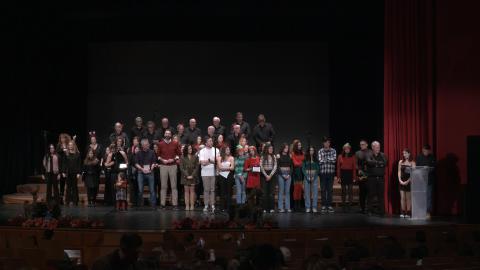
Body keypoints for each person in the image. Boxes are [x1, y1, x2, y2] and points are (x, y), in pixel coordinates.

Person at [157, 129, 181, 210]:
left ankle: (175, 205)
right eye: (166, 133)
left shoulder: (175, 143)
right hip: (163, 166)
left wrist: (173, 159)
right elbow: (158, 155)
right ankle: (162, 204)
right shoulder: (160, 144)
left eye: (169, 133)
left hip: (173, 165)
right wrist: (162, 160)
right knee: (163, 186)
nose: (167, 134)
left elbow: (179, 154)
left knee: (174, 186)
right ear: (164, 134)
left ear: (171, 135)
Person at [366, 141, 388, 216]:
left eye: (379, 146)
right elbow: (369, 162)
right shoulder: (369, 155)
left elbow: (385, 163)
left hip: (381, 178)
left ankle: (381, 211)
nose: (378, 148)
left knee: (381, 195)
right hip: (372, 178)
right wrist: (379, 163)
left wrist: (375, 163)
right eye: (376, 147)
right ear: (372, 147)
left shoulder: (383, 155)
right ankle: (369, 210)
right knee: (371, 195)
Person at [199, 137, 219, 212]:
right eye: (210, 141)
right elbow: (202, 163)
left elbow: (217, 161)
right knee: (206, 190)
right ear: (206, 143)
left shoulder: (216, 150)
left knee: (212, 190)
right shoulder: (202, 151)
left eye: (212, 141)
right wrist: (210, 160)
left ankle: (212, 205)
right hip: (205, 173)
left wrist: (208, 161)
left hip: (213, 172)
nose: (211, 142)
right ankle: (206, 205)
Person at [135, 139, 157, 208]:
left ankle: (153, 205)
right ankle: (140, 205)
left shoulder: (152, 152)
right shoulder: (138, 153)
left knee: (152, 190)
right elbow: (136, 164)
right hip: (141, 172)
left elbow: (154, 162)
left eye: (148, 144)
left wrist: (151, 169)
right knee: (140, 190)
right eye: (146, 145)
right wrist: (142, 169)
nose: (147, 145)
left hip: (150, 172)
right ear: (142, 145)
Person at [416, 144, 436, 219]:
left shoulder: (432, 157)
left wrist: (428, 168)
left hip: (429, 180)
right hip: (420, 180)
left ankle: (428, 212)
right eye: (424, 150)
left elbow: (434, 167)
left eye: (427, 151)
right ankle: (420, 211)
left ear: (429, 150)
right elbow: (416, 168)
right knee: (421, 196)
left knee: (429, 197)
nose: (426, 152)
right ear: (422, 150)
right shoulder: (419, 157)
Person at [318, 137, 337, 214]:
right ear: (323, 143)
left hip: (330, 173)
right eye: (325, 142)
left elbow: (334, 160)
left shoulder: (333, 150)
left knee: (330, 190)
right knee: (323, 190)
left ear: (329, 143)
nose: (327, 144)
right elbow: (320, 161)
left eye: (328, 142)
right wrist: (329, 159)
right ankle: (323, 206)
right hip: (322, 173)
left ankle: (329, 205)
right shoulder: (320, 151)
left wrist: (325, 159)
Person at [336, 143, 357, 212]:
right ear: (343, 149)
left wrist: (354, 177)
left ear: (350, 149)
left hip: (350, 174)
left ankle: (350, 205)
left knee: (350, 190)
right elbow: (338, 168)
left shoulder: (353, 156)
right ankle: (344, 205)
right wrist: (338, 177)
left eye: (348, 148)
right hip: (343, 174)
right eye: (345, 148)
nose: (346, 150)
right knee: (344, 191)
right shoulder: (340, 156)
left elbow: (354, 168)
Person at [180, 144, 199, 211]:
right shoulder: (182, 157)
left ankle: (192, 205)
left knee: (192, 191)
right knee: (186, 191)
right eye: (188, 149)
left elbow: (197, 167)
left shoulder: (195, 156)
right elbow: (181, 168)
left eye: (190, 148)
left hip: (193, 176)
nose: (190, 150)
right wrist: (187, 175)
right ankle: (187, 206)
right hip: (185, 176)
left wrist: (192, 175)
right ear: (186, 150)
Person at [62, 141, 81, 206]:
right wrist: (63, 172)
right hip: (68, 172)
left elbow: (79, 164)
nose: (70, 146)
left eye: (71, 145)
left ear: (73, 145)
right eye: (69, 145)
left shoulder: (77, 154)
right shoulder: (66, 154)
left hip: (75, 172)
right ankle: (67, 201)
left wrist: (78, 173)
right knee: (68, 187)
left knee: (74, 187)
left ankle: (75, 201)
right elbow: (64, 163)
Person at [260, 143, 277, 213]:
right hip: (264, 175)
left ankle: (271, 208)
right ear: (267, 149)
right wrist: (266, 175)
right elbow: (261, 166)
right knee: (265, 193)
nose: (271, 150)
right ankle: (265, 208)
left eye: (272, 149)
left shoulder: (274, 156)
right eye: (270, 149)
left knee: (271, 192)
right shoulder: (263, 156)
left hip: (271, 175)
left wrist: (270, 175)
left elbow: (275, 166)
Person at [355, 140, 371, 214]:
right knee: (362, 192)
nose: (362, 146)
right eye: (361, 144)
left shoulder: (371, 152)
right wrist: (359, 170)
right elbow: (355, 164)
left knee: (369, 192)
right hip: (361, 174)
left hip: (369, 175)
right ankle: (362, 208)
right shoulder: (357, 153)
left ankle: (368, 208)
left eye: (363, 144)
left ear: (367, 145)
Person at [217, 145, 235, 212]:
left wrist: (223, 168)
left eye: (229, 150)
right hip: (221, 176)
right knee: (222, 192)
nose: (228, 151)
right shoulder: (219, 158)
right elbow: (219, 167)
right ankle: (222, 207)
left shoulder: (231, 158)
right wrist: (227, 168)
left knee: (229, 192)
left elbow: (232, 168)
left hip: (229, 175)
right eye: (227, 150)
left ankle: (228, 207)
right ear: (224, 150)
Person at [303, 146, 320, 213]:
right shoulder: (305, 159)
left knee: (315, 192)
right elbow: (303, 168)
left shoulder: (316, 159)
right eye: (310, 150)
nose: (311, 151)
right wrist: (307, 177)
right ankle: (307, 207)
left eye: (312, 150)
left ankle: (314, 207)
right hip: (307, 177)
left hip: (314, 177)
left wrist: (314, 177)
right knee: (307, 193)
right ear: (308, 151)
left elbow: (318, 169)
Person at [398, 149, 415, 218]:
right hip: (402, 181)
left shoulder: (412, 162)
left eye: (405, 153)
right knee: (402, 197)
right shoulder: (401, 162)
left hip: (409, 181)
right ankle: (402, 211)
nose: (404, 155)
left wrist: (407, 181)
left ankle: (408, 212)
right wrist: (400, 180)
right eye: (403, 153)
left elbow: (413, 174)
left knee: (408, 198)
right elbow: (399, 171)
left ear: (409, 153)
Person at [56, 133, 72, 204]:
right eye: (61, 138)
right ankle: (61, 199)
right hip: (61, 166)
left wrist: (67, 150)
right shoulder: (59, 146)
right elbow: (57, 153)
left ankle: (69, 199)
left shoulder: (69, 145)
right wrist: (63, 150)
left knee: (69, 184)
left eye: (64, 138)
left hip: (68, 166)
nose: (62, 139)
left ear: (66, 139)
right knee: (62, 184)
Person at [276, 143, 292, 213]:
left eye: (287, 148)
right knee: (281, 191)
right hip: (281, 175)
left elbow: (291, 167)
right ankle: (280, 207)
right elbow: (278, 166)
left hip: (288, 175)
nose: (286, 149)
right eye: (285, 148)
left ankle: (287, 207)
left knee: (287, 191)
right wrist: (282, 174)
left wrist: (289, 174)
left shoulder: (290, 156)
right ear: (282, 148)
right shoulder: (279, 156)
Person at [291, 140, 305, 211]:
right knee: (296, 190)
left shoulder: (302, 153)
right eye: (298, 145)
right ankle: (295, 206)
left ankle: (299, 206)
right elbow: (295, 163)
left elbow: (304, 161)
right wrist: (301, 163)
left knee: (300, 189)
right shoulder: (293, 153)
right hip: (296, 173)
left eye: (300, 145)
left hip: (301, 173)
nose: (300, 146)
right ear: (296, 146)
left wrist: (300, 163)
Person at [127, 137, 140, 206]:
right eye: (134, 141)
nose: (135, 142)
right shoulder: (130, 152)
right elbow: (129, 162)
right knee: (131, 188)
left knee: (137, 187)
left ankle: (138, 201)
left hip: (139, 173)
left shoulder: (140, 153)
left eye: (136, 141)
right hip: (132, 173)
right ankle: (131, 201)